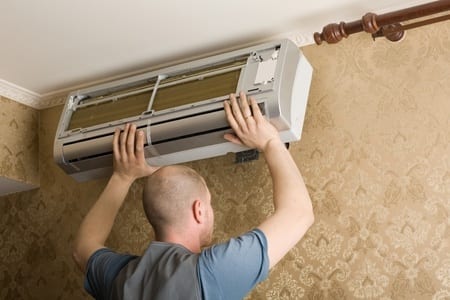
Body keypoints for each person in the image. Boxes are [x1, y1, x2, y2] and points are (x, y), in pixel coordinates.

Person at [72, 92, 314, 299]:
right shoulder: (212, 272)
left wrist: (121, 177)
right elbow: (299, 214)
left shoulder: (121, 278)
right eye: (209, 205)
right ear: (199, 210)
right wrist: (271, 141)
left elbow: (82, 248)